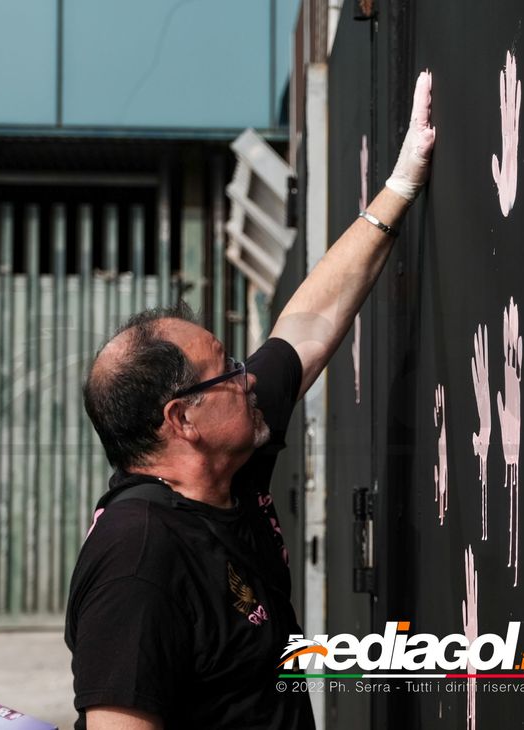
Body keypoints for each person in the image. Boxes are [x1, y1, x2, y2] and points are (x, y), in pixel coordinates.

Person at [65, 71, 435, 729]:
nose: (247, 376)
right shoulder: (139, 558)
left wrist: (399, 188)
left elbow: (307, 326)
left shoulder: (231, 460)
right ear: (181, 419)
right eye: (227, 371)